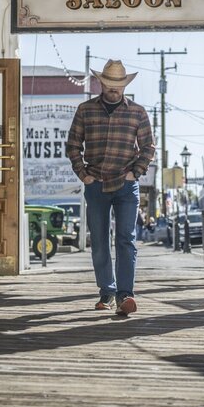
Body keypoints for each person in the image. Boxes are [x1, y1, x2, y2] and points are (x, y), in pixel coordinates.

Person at [66, 59, 155, 316]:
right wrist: (83, 175)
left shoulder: (137, 112)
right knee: (100, 241)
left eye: (118, 84)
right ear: (101, 82)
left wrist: (134, 173)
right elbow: (73, 145)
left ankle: (125, 294)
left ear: (124, 85)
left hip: (127, 186)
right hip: (95, 183)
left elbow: (148, 147)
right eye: (109, 83)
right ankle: (107, 291)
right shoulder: (85, 110)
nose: (114, 88)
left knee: (126, 239)